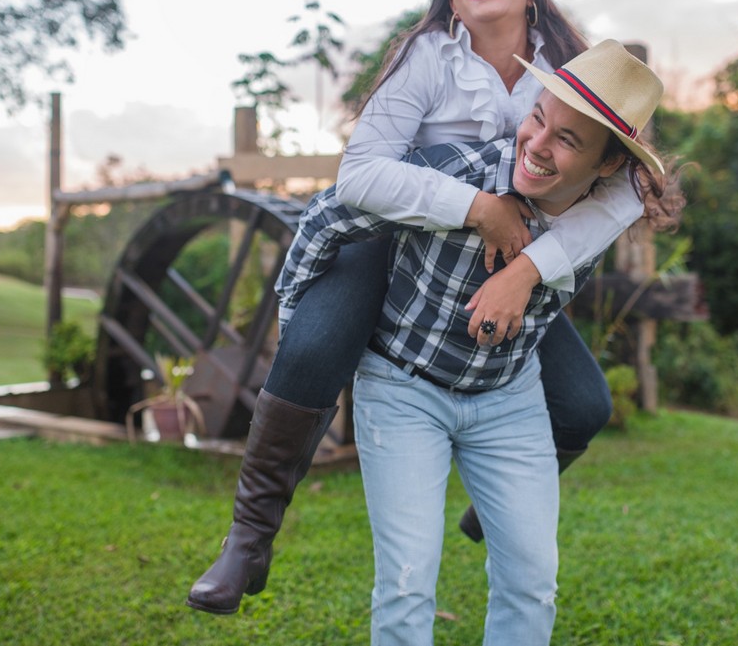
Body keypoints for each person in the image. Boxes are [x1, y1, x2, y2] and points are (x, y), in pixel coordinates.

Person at [186, 0, 643, 615]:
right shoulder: (428, 55)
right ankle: (249, 537)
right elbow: (360, 176)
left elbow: (623, 194)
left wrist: (525, 270)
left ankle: (497, 510)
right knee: (311, 346)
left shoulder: (567, 66)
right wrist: (476, 207)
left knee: (583, 403)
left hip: (504, 264)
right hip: (398, 239)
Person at [278, 41, 685, 644]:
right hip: (403, 390)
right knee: (407, 581)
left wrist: (523, 274)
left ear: (607, 169)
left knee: (533, 580)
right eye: (539, 118)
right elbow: (327, 217)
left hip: (507, 399)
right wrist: (296, 325)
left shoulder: (609, 214)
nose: (538, 144)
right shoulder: (455, 172)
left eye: (568, 140)